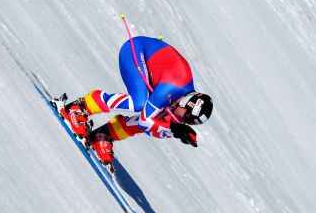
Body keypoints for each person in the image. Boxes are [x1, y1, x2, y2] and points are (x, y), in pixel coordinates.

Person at [61, 36, 213, 165]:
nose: (183, 120)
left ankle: (104, 134)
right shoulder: (172, 86)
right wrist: (174, 129)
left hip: (149, 60)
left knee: (158, 118)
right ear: (188, 102)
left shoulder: (181, 98)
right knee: (139, 103)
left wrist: (176, 130)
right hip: (135, 50)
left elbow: (154, 126)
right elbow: (144, 122)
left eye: (189, 122)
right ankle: (79, 107)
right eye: (186, 117)